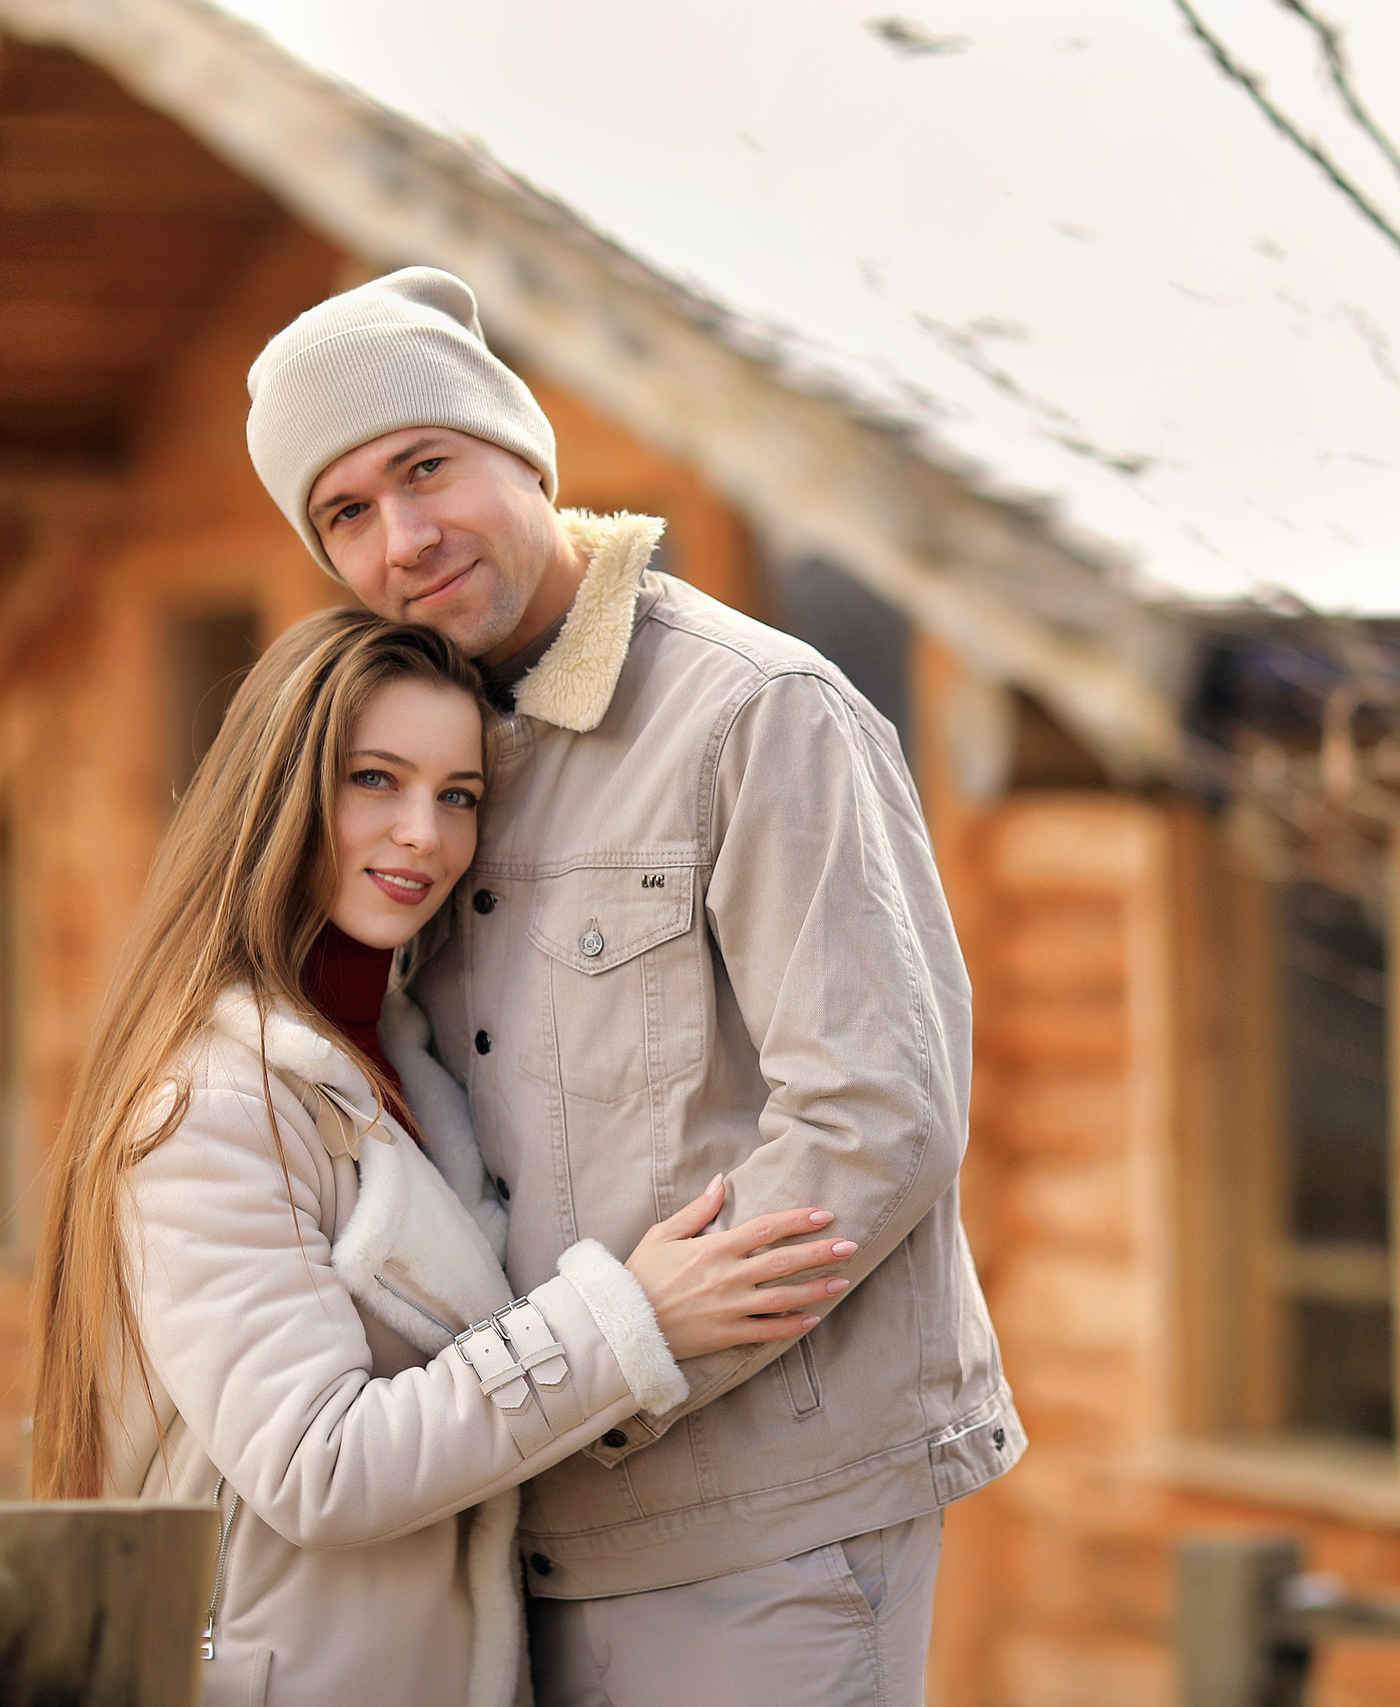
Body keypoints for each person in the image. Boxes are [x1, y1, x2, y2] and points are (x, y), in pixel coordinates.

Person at [242, 269, 1024, 1706]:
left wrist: (609, 1368)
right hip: (515, 1528)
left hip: (762, 1514)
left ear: (527, 456)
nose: (404, 538)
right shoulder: (425, 778)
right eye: (346, 512)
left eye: (428, 467)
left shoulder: (753, 712)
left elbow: (877, 1111)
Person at [24, 608, 856, 1707]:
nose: (425, 832)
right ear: (279, 793)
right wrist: (628, 1320)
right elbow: (318, 1465)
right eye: (376, 780)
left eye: (457, 795)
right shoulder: (208, 1103)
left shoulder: (403, 1063)